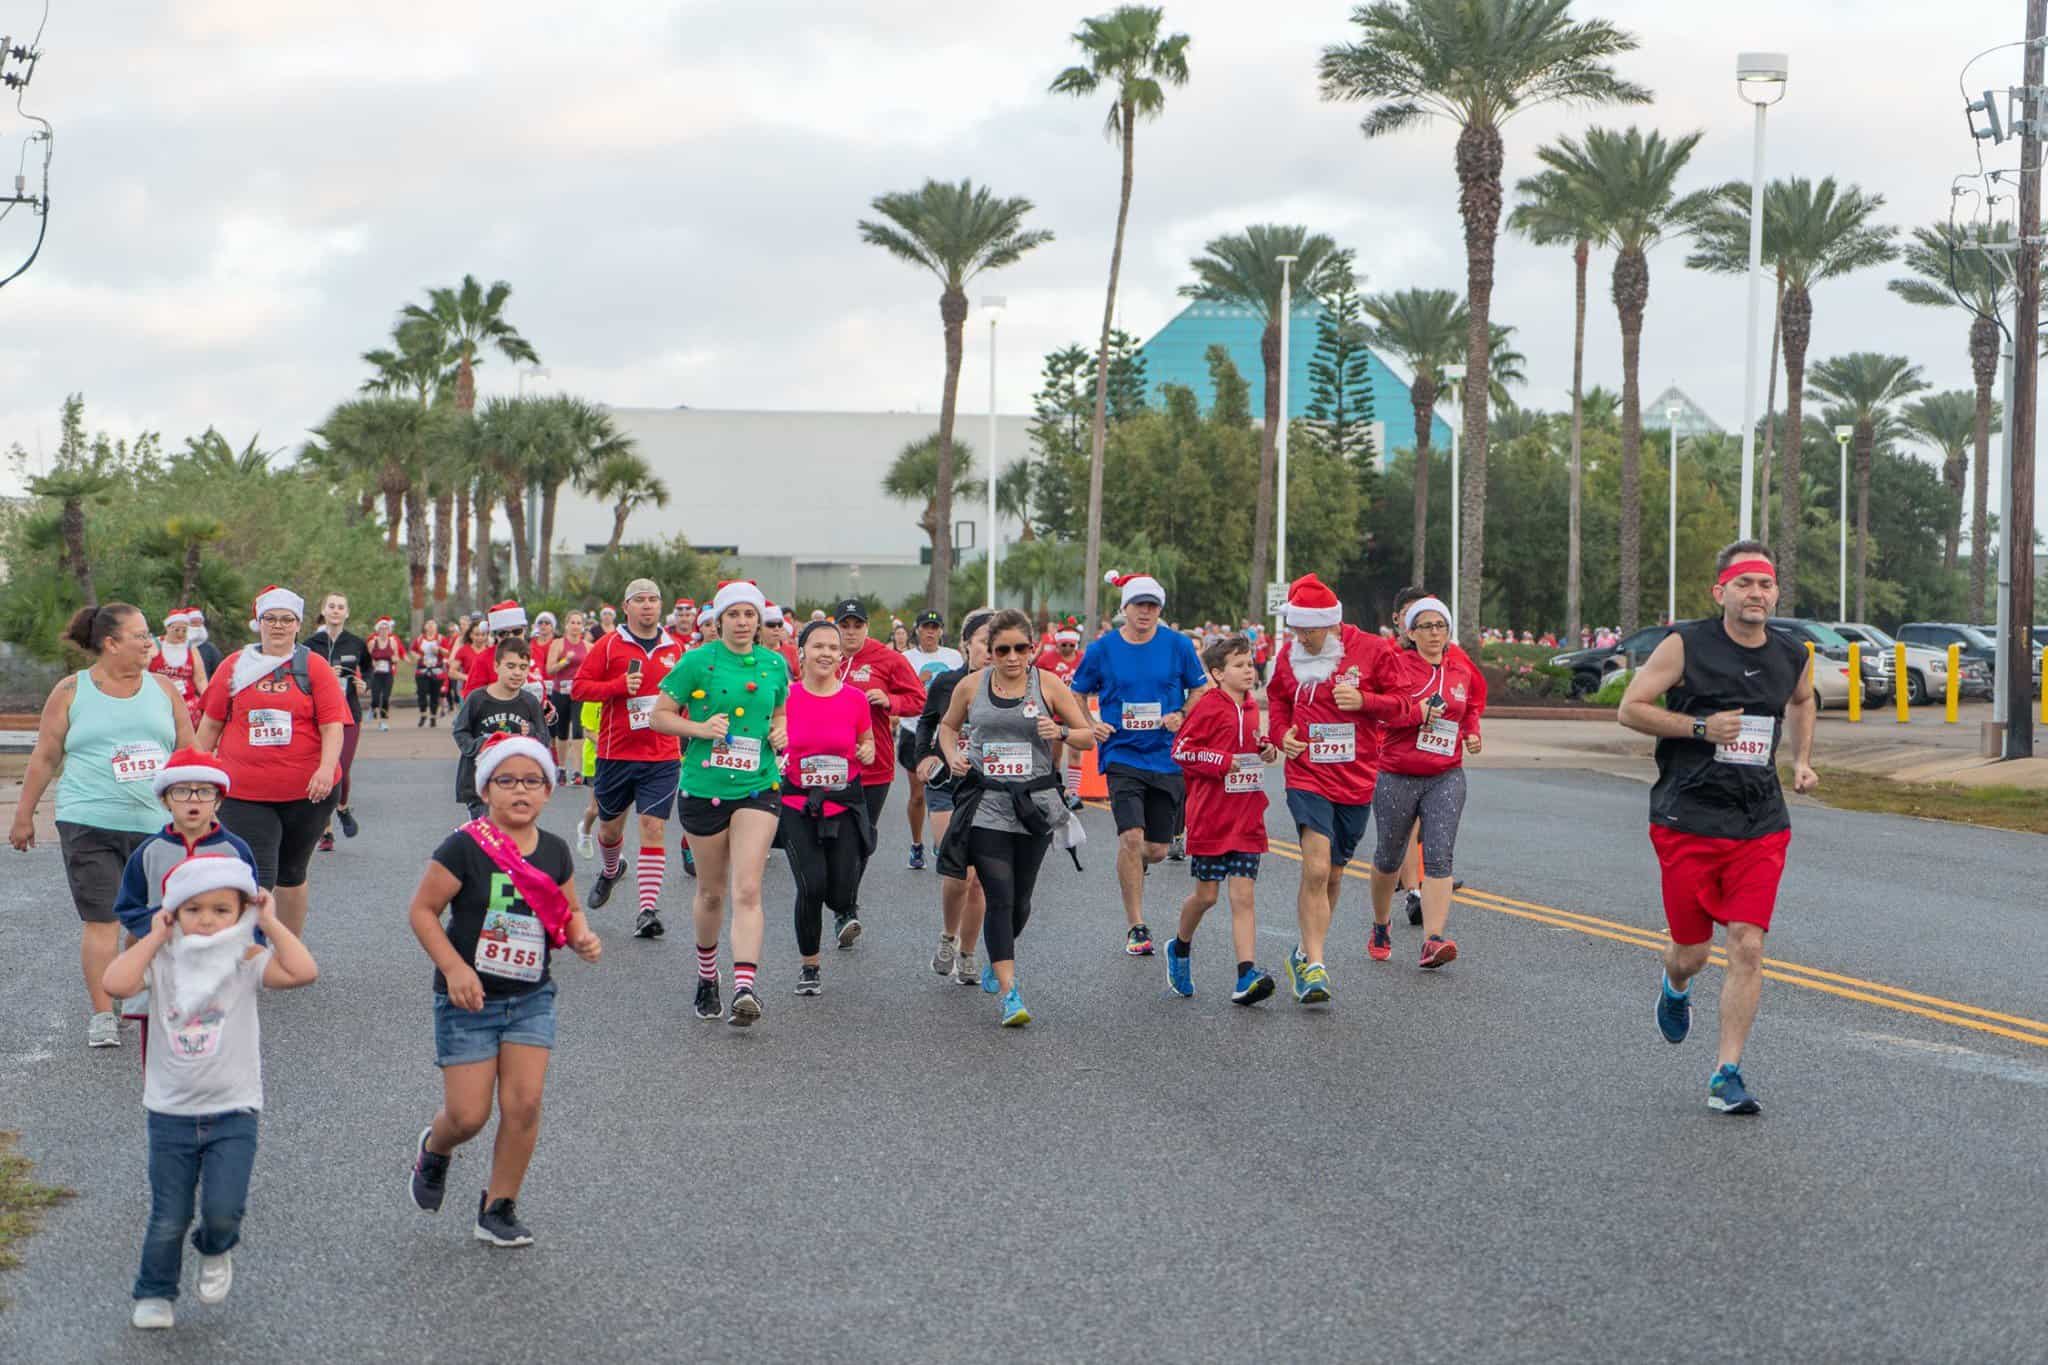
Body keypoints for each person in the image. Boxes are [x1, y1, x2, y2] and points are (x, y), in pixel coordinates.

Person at [1619, 542, 1818, 1116]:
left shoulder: (1791, 653)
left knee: (1748, 945)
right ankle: (1674, 986)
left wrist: (1801, 759)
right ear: (1721, 592)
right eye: (1745, 584)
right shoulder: (1687, 644)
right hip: (1688, 818)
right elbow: (1631, 708)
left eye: (1766, 584)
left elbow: (1803, 701)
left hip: (1760, 822)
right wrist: (1701, 726)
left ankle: (1725, 1073)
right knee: (1691, 952)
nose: (1757, 593)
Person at [105, 855, 317, 1329]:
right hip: (170, 1111)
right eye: (193, 909)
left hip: (233, 1110)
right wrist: (155, 935)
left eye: (222, 910)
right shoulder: (161, 961)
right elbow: (114, 983)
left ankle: (216, 1248)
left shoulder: (246, 961)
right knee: (169, 1215)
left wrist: (270, 922)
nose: (206, 919)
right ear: (173, 913)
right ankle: (155, 1291)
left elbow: (303, 972)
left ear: (241, 913)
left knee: (223, 1209)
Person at [405, 734, 601, 1247]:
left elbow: (569, 909)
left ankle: (498, 1206)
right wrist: (453, 969)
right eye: (507, 781)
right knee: (468, 1116)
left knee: (525, 1105)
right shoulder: (464, 846)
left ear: (548, 791)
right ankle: (436, 1148)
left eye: (532, 781)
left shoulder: (556, 851)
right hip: (468, 1000)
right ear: (486, 789)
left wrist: (580, 935)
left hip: (531, 998)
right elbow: (422, 912)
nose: (520, 791)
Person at [10, 604, 194, 1048]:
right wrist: (23, 813)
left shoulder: (165, 690)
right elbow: (46, 756)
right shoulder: (71, 690)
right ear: (111, 644)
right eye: (140, 635)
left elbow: (190, 754)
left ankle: (135, 989)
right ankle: (102, 1013)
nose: (150, 643)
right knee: (101, 920)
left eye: (149, 634)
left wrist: (200, 810)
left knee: (150, 920)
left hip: (156, 824)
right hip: (88, 819)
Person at [936, 609, 1094, 1027]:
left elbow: (1087, 736)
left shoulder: (1049, 685)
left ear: (1032, 649)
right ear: (989, 651)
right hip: (987, 803)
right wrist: (952, 754)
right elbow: (947, 727)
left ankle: (995, 958)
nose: (1010, 656)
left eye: (1019, 648)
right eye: (1000, 649)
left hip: (1036, 805)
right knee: (999, 895)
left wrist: (1058, 732)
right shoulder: (972, 686)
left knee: (1020, 901)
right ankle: (1010, 991)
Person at [654, 579, 791, 1026]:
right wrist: (699, 729)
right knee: (712, 893)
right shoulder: (696, 662)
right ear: (718, 620)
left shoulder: (774, 665)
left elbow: (779, 714)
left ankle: (745, 988)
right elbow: (659, 716)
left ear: (759, 620)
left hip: (759, 785)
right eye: (733, 614)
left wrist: (781, 732)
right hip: (703, 787)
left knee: (748, 888)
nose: (742, 622)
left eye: (750, 614)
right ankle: (707, 977)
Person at [1069, 570, 1209, 957]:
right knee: (1130, 838)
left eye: (1152, 605)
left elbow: (1200, 687)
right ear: (1124, 608)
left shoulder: (1178, 645)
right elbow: (1076, 693)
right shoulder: (1102, 649)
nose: (1146, 612)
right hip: (1122, 754)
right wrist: (1091, 725)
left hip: (1166, 757)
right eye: (1139, 605)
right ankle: (1136, 925)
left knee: (1157, 850)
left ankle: (1134, 863)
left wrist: (1181, 713)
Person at [195, 586, 347, 939]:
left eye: (286, 619)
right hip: (245, 792)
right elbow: (211, 725)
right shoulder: (234, 666)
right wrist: (195, 775)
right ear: (258, 623)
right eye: (270, 619)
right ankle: (249, 948)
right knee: (255, 872)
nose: (278, 626)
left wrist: (326, 769)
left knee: (292, 872)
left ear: (298, 624)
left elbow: (332, 725)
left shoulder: (314, 667)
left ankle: (287, 949)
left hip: (308, 791)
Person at [1266, 573, 1386, 1000]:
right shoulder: (1288, 655)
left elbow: (1406, 704)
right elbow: (1278, 699)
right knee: (1315, 868)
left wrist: (1368, 702)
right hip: (1307, 773)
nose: (1300, 637)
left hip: (1356, 778)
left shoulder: (1372, 650)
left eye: (1308, 629)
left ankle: (1302, 952)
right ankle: (1316, 965)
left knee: (1333, 875)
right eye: (1295, 629)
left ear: (1331, 623)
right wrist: (1282, 735)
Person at [1355, 595, 1483, 970]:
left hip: (1446, 774)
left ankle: (1433, 939)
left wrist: (1472, 732)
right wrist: (1416, 714)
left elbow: (1470, 707)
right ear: (1410, 632)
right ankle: (1381, 924)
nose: (1434, 633)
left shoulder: (1460, 669)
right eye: (1425, 626)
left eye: (1440, 625)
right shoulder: (1396, 667)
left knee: (1440, 855)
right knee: (1389, 856)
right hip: (1398, 774)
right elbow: (1376, 710)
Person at [1165, 635, 1280, 1004]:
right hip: (1212, 818)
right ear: (1217, 673)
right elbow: (1181, 750)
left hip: (1247, 815)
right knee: (1207, 896)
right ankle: (1179, 948)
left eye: (1250, 664)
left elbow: (1247, 745)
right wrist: (1219, 761)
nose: (1249, 671)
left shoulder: (1249, 706)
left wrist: (1265, 749)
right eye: (1239, 665)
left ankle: (1246, 973)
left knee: (1243, 896)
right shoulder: (1209, 706)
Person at [570, 580, 685, 936]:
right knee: (609, 829)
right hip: (615, 753)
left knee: (653, 828)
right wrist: (616, 687)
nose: (648, 606)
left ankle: (647, 910)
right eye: (640, 601)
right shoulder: (608, 646)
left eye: (653, 600)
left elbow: (693, 694)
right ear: (626, 606)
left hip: (662, 755)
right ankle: (610, 870)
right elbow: (579, 688)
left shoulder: (676, 648)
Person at [776, 619, 876, 997]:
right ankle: (810, 965)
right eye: (818, 646)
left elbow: (866, 742)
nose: (826, 654)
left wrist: (867, 750)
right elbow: (772, 738)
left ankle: (843, 909)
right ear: (801, 651)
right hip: (797, 802)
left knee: (841, 890)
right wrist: (775, 739)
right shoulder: (785, 697)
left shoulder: (854, 699)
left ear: (841, 655)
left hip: (844, 801)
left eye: (833, 648)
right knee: (811, 884)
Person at [111, 749, 262, 977]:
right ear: (165, 800)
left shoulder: (235, 851)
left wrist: (254, 951)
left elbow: (252, 906)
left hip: (220, 959)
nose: (193, 799)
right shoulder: (148, 852)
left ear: (218, 802)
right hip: (162, 957)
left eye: (204, 792)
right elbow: (128, 906)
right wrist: (157, 929)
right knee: (156, 1008)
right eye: (181, 791)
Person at [914, 609, 993, 986]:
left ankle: (967, 952)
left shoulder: (1016, 686)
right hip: (947, 784)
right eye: (984, 642)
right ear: (966, 644)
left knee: (978, 879)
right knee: (957, 868)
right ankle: (948, 935)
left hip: (990, 789)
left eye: (999, 643)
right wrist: (925, 757)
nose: (992, 651)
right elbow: (927, 723)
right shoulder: (947, 682)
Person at [831, 597, 927, 882]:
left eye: (857, 625)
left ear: (867, 627)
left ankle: (847, 898)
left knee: (862, 834)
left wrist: (890, 701)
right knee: (829, 833)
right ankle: (837, 888)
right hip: (829, 764)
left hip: (874, 767)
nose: (850, 631)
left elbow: (919, 700)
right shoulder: (823, 654)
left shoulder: (888, 659)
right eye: (844, 625)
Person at [450, 637, 550, 819]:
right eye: (510, 666)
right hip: (480, 784)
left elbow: (544, 738)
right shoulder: (477, 699)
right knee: (489, 834)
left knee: (510, 836)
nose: (517, 673)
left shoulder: (529, 702)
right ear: (496, 666)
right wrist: (481, 745)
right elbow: (460, 731)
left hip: (516, 784)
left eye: (523, 667)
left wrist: (532, 734)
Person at [897, 609, 963, 871]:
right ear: (917, 630)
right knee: (917, 795)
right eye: (926, 626)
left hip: (947, 733)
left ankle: (944, 839)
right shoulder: (906, 658)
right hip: (916, 732)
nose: (930, 632)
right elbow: (901, 691)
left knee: (953, 789)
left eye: (935, 627)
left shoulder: (953, 657)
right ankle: (916, 844)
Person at [304, 593, 367, 850]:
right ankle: (326, 830)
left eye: (341, 607)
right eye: (331, 606)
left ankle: (341, 806)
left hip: (348, 712)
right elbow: (301, 676)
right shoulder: (310, 644)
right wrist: (324, 676)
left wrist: (365, 684)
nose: (336, 611)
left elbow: (370, 670)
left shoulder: (356, 643)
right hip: (318, 714)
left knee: (342, 765)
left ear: (347, 612)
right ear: (323, 610)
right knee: (323, 766)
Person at [1033, 622, 1087, 809]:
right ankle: (1055, 787)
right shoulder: (1048, 659)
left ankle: (1074, 791)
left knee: (1075, 753)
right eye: (1063, 645)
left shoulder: (1082, 658)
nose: (1067, 649)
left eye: (1071, 645)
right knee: (1055, 755)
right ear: (1057, 644)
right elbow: (1034, 675)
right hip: (1054, 712)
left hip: (1075, 711)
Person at [545, 611, 591, 783]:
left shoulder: (587, 646)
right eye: (572, 622)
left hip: (579, 692)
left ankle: (578, 771)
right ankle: (562, 768)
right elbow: (549, 670)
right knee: (561, 731)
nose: (575, 626)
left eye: (579, 623)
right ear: (566, 625)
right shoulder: (558, 644)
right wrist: (565, 661)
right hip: (560, 691)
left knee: (579, 729)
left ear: (583, 626)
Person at [148, 608, 211, 728]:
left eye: (184, 630)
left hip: (187, 703)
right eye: (176, 630)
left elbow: (200, 679)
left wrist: (208, 700)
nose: (180, 634)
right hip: (159, 701)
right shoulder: (154, 645)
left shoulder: (191, 648)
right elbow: (142, 673)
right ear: (168, 628)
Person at [464, 601, 529, 699]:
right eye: (503, 633)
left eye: (516, 631)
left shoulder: (531, 653)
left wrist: (546, 706)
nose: (511, 637)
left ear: (524, 630)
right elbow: (471, 697)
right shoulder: (483, 659)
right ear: (495, 636)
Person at [365, 617, 407, 730]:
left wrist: (394, 659)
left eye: (386, 629)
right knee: (375, 698)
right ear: (378, 630)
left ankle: (382, 722)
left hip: (388, 673)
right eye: (382, 629)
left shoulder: (392, 642)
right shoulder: (372, 642)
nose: (384, 631)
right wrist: (372, 662)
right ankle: (373, 707)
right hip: (376, 674)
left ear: (389, 630)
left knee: (385, 698)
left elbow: (397, 657)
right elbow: (367, 658)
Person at [413, 618, 448, 728]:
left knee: (435, 694)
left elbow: (448, 652)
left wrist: (439, 650)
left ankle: (433, 716)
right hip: (422, 670)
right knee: (421, 693)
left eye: (433, 624)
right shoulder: (419, 639)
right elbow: (412, 651)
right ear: (425, 627)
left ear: (436, 627)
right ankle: (423, 714)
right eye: (428, 624)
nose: (431, 626)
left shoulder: (441, 638)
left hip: (436, 671)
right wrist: (417, 656)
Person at [450, 619, 491, 701]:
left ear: (487, 636)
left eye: (483, 635)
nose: (480, 637)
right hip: (469, 693)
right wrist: (468, 677)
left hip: (488, 693)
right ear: (470, 635)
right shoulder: (463, 650)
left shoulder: (491, 651)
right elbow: (451, 672)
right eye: (476, 634)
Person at [759, 602, 798, 673]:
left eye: (779, 624)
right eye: (771, 624)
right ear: (759, 628)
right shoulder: (752, 652)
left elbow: (799, 680)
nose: (776, 628)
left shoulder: (792, 651)